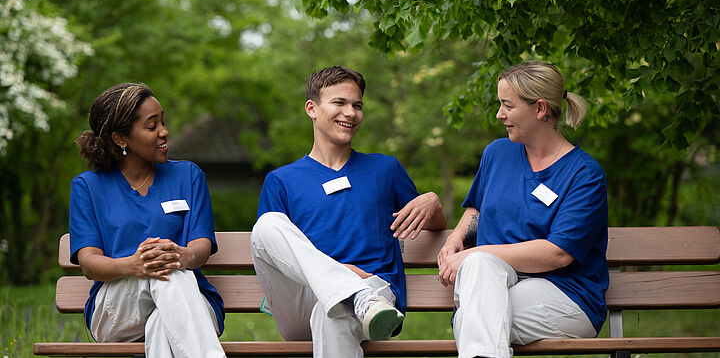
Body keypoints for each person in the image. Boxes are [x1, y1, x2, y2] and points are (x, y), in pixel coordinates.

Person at [251, 66, 446, 358]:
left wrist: (432, 200)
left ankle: (355, 296)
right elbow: (273, 252)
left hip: (375, 294)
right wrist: (345, 277)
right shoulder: (281, 180)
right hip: (302, 301)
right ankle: (353, 292)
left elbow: (435, 226)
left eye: (357, 105)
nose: (351, 113)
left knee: (333, 313)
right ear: (311, 108)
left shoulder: (385, 169)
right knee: (267, 225)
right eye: (339, 103)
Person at [437, 61, 609, 358]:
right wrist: (456, 239)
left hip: (565, 294)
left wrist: (476, 251)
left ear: (540, 109)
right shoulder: (497, 153)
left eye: (507, 105)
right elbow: (477, 208)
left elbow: (558, 253)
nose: (499, 115)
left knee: (471, 317)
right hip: (493, 280)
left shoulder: (584, 174)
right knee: (479, 272)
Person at [69, 83, 226, 357]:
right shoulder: (88, 187)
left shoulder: (188, 176)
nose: (164, 131)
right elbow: (89, 263)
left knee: (162, 320)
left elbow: (200, 246)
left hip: (193, 304)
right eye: (152, 126)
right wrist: (134, 265)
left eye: (163, 122)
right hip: (117, 307)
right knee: (168, 271)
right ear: (121, 138)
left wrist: (180, 255)